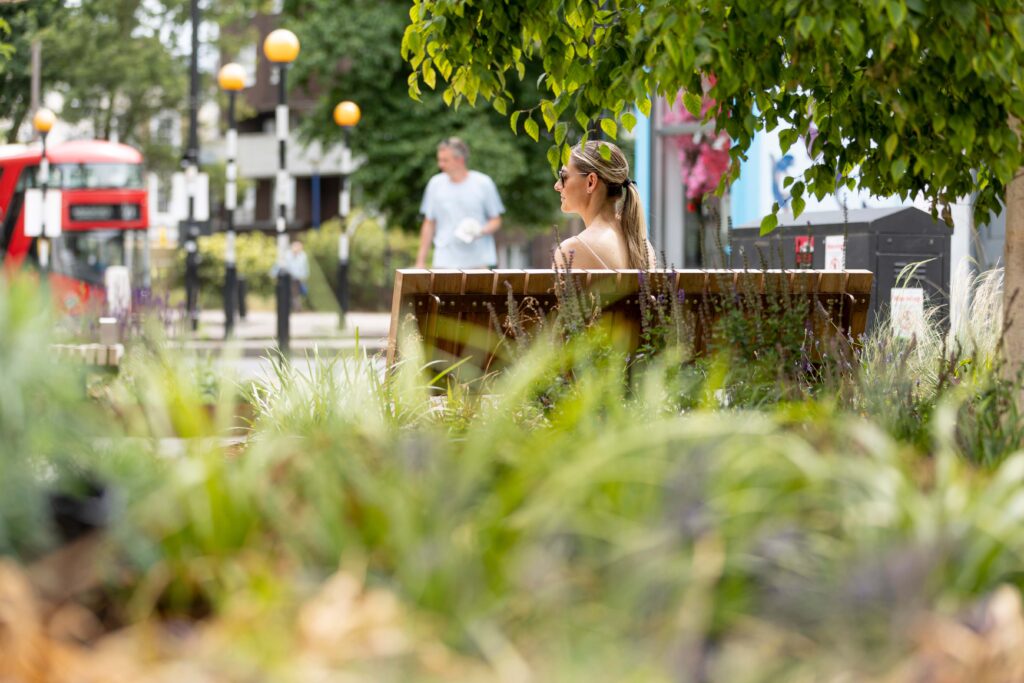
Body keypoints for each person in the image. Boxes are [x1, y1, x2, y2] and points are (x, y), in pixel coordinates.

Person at [552, 140, 656, 270]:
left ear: (591, 182)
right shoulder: (643, 248)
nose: (557, 186)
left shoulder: (571, 251)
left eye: (563, 176)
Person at [415, 137, 504, 269]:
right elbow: (429, 223)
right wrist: (420, 262)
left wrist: (480, 231)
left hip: (478, 263)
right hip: (444, 262)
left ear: (460, 160)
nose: (440, 165)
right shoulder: (435, 184)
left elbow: (496, 220)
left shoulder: (483, 183)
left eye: (445, 160)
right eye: (439, 160)